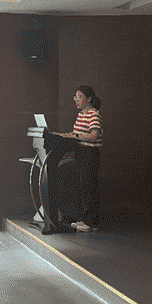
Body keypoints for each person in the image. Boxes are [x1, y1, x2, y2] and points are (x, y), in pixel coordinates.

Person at [58, 85, 103, 232]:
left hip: (90, 154)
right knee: (81, 187)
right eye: (75, 97)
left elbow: (93, 135)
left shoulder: (94, 114)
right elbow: (76, 133)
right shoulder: (81, 115)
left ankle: (91, 223)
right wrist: (61, 135)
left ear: (89, 98)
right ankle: (83, 219)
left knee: (89, 188)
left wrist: (75, 136)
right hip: (80, 153)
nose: (76, 100)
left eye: (79, 97)